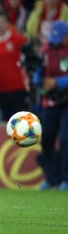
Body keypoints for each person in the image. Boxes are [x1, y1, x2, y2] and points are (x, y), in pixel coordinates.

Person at [35, 20, 68, 191]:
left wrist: (56, 82)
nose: (55, 42)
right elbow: (38, 72)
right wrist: (37, 80)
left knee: (65, 139)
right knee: (46, 138)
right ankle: (51, 178)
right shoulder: (45, 50)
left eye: (59, 38)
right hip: (50, 101)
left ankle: (66, 180)